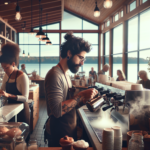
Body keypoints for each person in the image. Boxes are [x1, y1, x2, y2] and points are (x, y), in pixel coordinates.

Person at [44, 32, 98, 147]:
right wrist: (80, 95)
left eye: (84, 59)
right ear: (69, 53)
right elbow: (58, 111)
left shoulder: (66, 74)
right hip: (59, 136)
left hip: (68, 132)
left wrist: (83, 100)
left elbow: (69, 104)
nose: (82, 63)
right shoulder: (55, 74)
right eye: (80, 58)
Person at [0, 43, 30, 124]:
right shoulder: (6, 75)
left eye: (6, 67)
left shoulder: (22, 76)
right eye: (3, 68)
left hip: (22, 109)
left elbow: (25, 98)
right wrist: (1, 92)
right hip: (10, 108)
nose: (4, 70)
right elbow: (2, 89)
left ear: (13, 64)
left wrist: (8, 95)